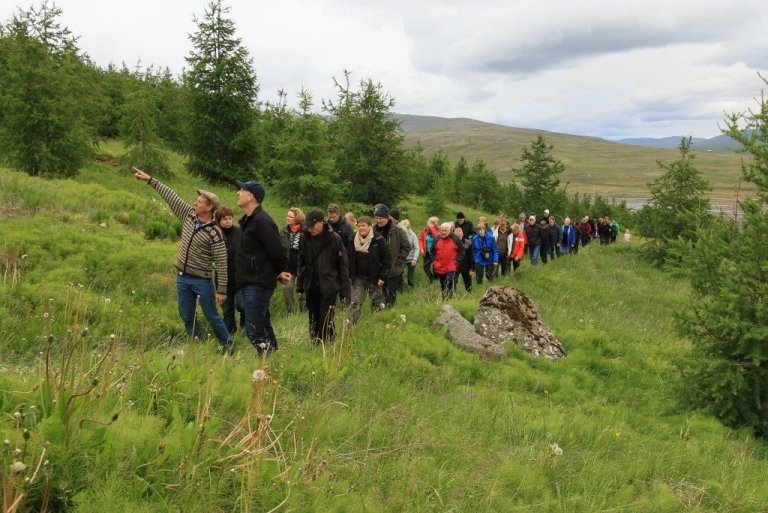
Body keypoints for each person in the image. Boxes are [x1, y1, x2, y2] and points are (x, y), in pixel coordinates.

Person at [132, 167, 233, 352]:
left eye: (200, 202)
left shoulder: (215, 232)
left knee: (212, 316)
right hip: (182, 277)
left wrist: (222, 290)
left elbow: (221, 262)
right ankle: (200, 345)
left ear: (210, 207)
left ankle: (228, 345)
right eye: (197, 200)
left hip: (202, 280)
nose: (196, 203)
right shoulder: (189, 215)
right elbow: (171, 196)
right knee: (186, 315)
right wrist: (150, 180)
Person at [234, 180, 291, 354]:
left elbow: (278, 252)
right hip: (251, 281)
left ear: (251, 196)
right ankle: (271, 357)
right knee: (262, 323)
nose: (238, 193)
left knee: (253, 328)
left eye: (241, 190)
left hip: (258, 282)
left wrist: (277, 272)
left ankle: (266, 358)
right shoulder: (249, 221)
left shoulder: (262, 221)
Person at [296, 210, 351, 344]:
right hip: (311, 284)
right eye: (307, 226)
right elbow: (301, 262)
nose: (310, 229)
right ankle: (315, 342)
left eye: (312, 226)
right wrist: (300, 286)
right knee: (313, 316)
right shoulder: (304, 237)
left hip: (329, 285)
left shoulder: (334, 239)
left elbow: (342, 266)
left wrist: (345, 292)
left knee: (326, 317)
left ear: (321, 223)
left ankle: (327, 344)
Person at [348, 216, 389, 324]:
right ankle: (351, 326)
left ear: (369, 226)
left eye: (363, 225)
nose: (361, 228)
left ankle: (379, 324)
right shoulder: (352, 238)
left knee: (377, 302)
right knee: (355, 303)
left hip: (374, 278)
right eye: (359, 225)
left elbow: (386, 259)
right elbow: (348, 258)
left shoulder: (378, 239)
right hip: (357, 277)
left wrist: (382, 276)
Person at [373, 205, 411, 307]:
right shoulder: (372, 230)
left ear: (387, 218)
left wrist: (398, 260)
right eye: (376, 218)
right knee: (376, 299)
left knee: (390, 298)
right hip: (376, 270)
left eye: (380, 218)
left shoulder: (397, 231)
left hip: (392, 271)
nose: (378, 221)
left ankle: (389, 316)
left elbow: (407, 247)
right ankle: (377, 318)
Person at [216, 207, 246, 337]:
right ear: (218, 220)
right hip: (223, 279)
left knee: (243, 305)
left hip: (240, 277)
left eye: (230, 218)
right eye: (224, 219)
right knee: (227, 310)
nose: (228, 221)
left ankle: (245, 328)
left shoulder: (240, 233)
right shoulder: (215, 235)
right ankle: (231, 335)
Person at [280, 207, 305, 314]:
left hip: (302, 266)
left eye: (290, 216)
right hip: (288, 266)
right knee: (287, 289)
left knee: (303, 293)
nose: (288, 218)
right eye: (287, 216)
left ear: (297, 218)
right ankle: (292, 313)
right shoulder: (283, 231)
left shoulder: (306, 231)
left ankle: (304, 313)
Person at [431, 222, 464, 299]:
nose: (442, 232)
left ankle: (450, 297)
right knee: (442, 283)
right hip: (439, 265)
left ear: (450, 231)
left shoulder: (455, 239)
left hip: (451, 265)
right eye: (441, 230)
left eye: (445, 231)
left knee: (449, 281)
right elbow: (432, 251)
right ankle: (444, 297)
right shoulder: (436, 239)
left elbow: (462, 250)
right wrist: (434, 262)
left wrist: (457, 260)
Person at [418, 216, 440, 282]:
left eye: (432, 222)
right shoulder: (425, 230)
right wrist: (421, 248)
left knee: (435, 268)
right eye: (429, 222)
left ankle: (436, 280)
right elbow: (421, 239)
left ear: (435, 224)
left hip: (435, 252)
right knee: (425, 267)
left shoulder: (438, 230)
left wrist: (432, 227)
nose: (430, 224)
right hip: (427, 252)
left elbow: (436, 236)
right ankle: (431, 279)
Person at [399, 219, 419, 287]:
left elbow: (416, 248)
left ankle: (411, 287)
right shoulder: (399, 234)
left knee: (410, 276)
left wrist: (414, 259)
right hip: (402, 258)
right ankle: (401, 286)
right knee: (399, 273)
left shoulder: (413, 235)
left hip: (411, 258)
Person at [454, 226, 474, 292]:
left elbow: (471, 257)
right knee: (453, 282)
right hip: (455, 266)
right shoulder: (452, 243)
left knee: (468, 284)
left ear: (462, 234)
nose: (459, 238)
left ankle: (470, 296)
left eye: (460, 236)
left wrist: (471, 269)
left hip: (466, 266)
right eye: (457, 236)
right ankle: (452, 295)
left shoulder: (468, 243)